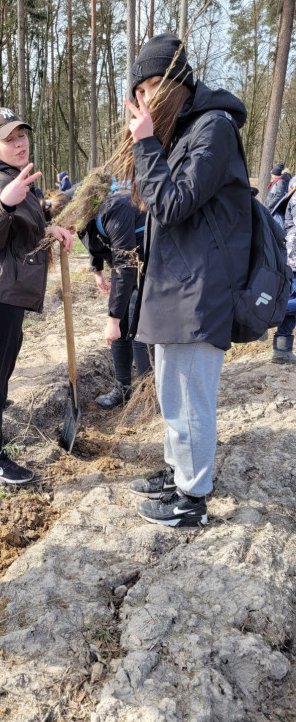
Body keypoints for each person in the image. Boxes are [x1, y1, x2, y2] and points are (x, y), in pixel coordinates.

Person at [114, 33, 252, 527]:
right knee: (173, 389)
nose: (147, 97)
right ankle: (178, 472)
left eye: (154, 84)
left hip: (201, 288)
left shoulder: (213, 128)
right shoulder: (184, 130)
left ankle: (191, 501)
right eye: (141, 89)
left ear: (178, 81)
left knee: (190, 394)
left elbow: (172, 205)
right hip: (176, 284)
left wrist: (148, 141)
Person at [0, 108, 72, 484]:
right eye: (9, 139)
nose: (19, 143)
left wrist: (50, 229)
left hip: (1, 292)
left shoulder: (12, 177)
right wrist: (5, 201)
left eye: (22, 135)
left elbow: (18, 231)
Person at [78, 186, 152, 409]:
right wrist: (96, 269)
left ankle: (145, 394)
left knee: (135, 324)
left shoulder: (114, 207)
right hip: (126, 262)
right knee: (121, 326)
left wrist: (113, 319)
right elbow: (89, 236)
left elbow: (125, 265)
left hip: (146, 259)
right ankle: (122, 389)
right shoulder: (79, 207)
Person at [271, 176, 296, 363]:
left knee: (292, 300)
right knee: (291, 300)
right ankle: (265, 314)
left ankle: (282, 349)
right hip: (293, 255)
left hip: (291, 255)